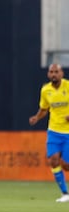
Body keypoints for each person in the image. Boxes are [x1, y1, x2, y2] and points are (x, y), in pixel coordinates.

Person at [29, 63, 69, 203]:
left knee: (66, 165)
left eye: (56, 72)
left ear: (61, 73)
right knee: (53, 160)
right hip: (53, 131)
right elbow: (44, 109)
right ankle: (65, 193)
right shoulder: (46, 90)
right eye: (51, 72)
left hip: (68, 133)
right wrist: (36, 117)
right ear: (48, 74)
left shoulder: (68, 86)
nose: (53, 74)